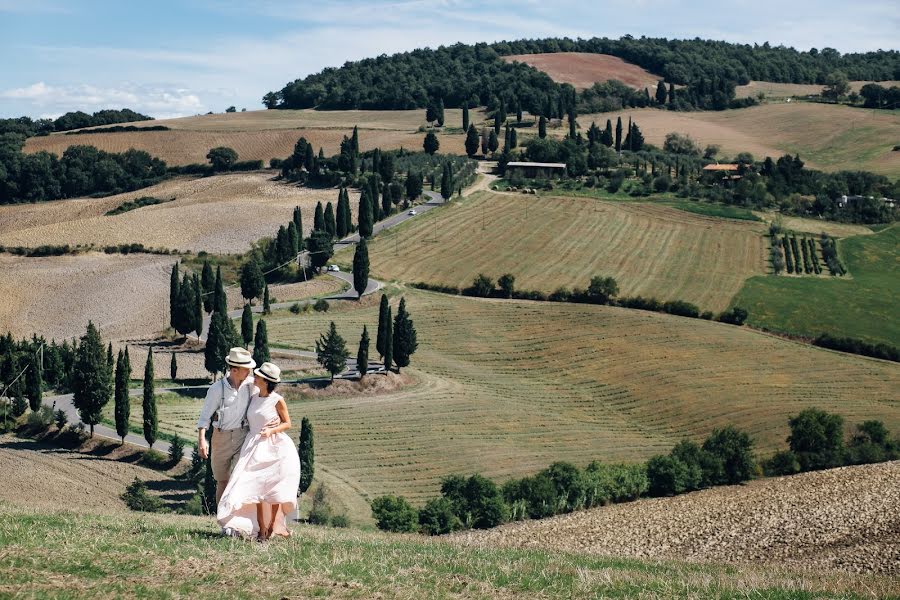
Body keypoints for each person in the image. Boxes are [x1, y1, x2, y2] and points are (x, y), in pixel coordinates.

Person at [217, 362, 301, 540]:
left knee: (273, 490)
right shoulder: (254, 396)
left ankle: (270, 529)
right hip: (253, 446)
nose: (254, 377)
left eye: (258, 376)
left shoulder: (277, 400)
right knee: (252, 488)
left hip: (274, 446)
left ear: (266, 381)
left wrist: (271, 430)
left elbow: (288, 423)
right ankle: (260, 528)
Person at [197, 347, 257, 505]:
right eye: (247, 369)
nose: (250, 372)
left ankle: (238, 520)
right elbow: (205, 417)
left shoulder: (251, 385)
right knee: (222, 481)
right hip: (220, 438)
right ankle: (222, 520)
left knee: (239, 479)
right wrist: (202, 440)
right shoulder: (217, 389)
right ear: (235, 370)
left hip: (242, 436)